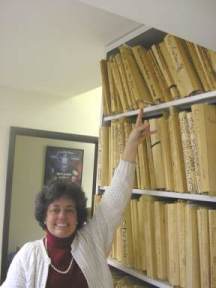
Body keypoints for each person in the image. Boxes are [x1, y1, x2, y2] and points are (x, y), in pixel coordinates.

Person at [1, 109, 152, 288]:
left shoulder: (93, 239)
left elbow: (116, 198)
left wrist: (132, 144)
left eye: (69, 209)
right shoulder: (28, 255)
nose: (62, 216)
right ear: (44, 216)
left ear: (78, 215)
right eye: (55, 209)